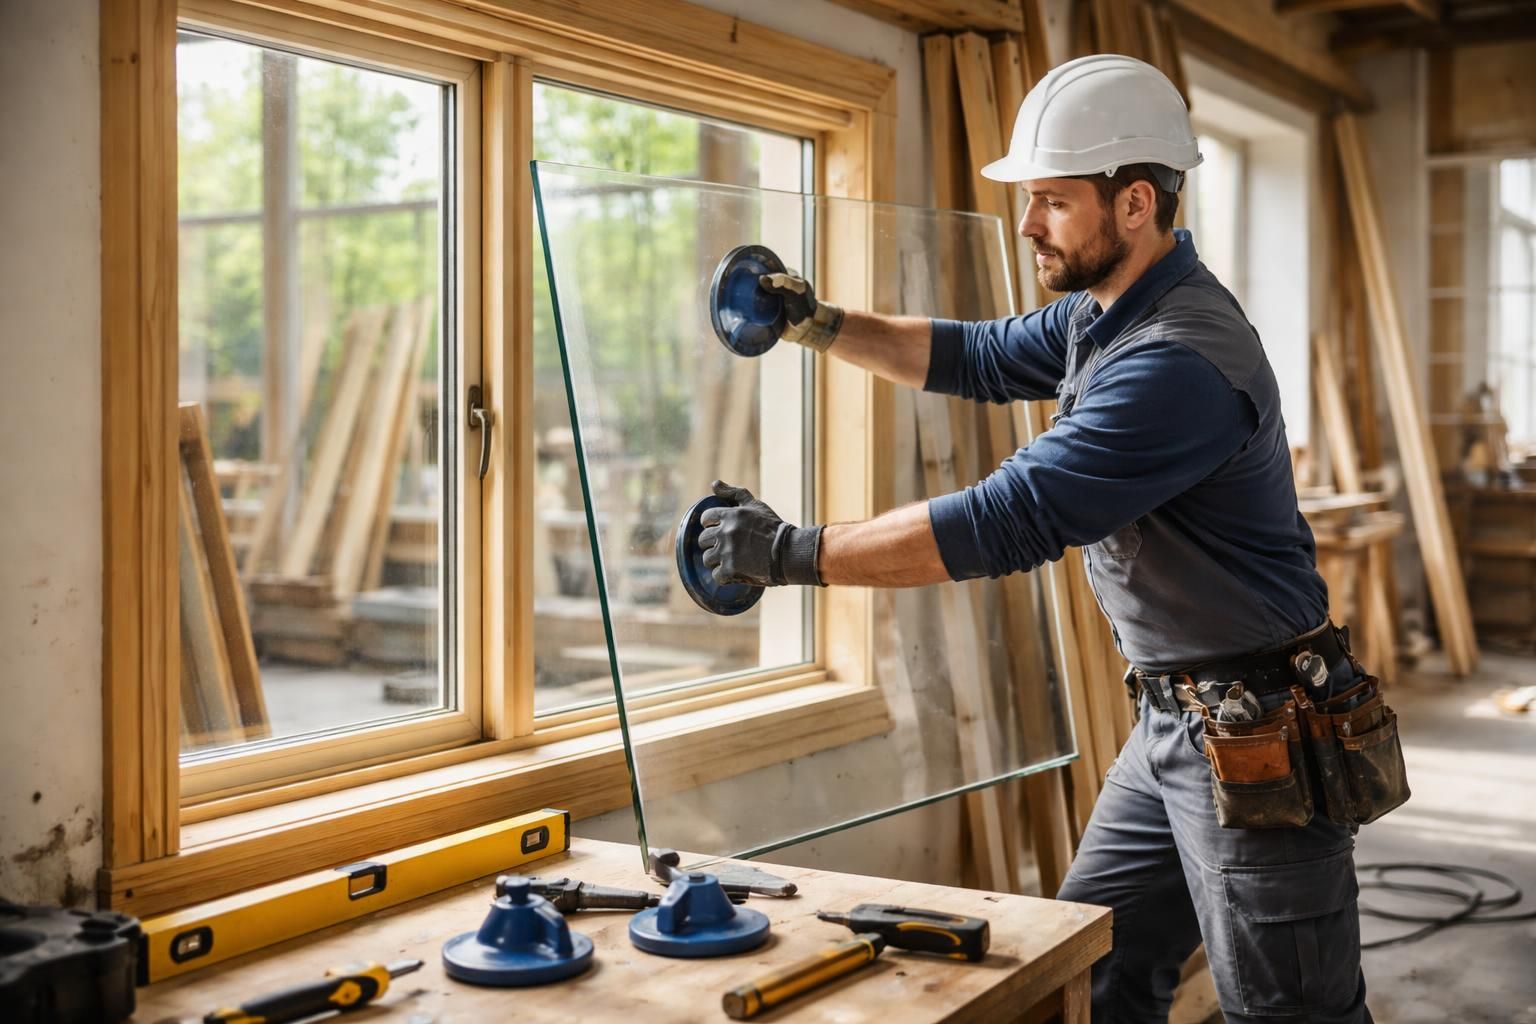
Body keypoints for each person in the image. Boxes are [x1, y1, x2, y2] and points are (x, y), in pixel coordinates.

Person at [698, 54, 1378, 1023]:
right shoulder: (1104, 314)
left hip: (1263, 732)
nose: (1026, 226)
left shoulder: (1176, 363)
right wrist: (817, 324)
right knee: (1091, 969)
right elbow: (971, 353)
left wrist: (790, 554)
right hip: (1178, 721)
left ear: (1135, 204)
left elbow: (999, 519)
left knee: (1288, 1012)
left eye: (1051, 202)